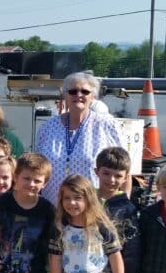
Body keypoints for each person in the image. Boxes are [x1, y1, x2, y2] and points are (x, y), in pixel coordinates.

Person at [33, 71, 124, 203]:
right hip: (52, 209)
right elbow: (37, 168)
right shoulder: (47, 127)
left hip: (92, 210)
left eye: (85, 92)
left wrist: (123, 206)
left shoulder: (108, 126)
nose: (79, 95)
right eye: (73, 91)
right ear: (65, 95)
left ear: (93, 96)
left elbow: (124, 168)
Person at [95, 147, 141, 273]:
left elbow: (132, 250)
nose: (111, 180)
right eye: (106, 173)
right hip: (83, 270)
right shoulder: (85, 200)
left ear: (126, 178)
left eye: (118, 176)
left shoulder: (127, 209)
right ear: (97, 171)